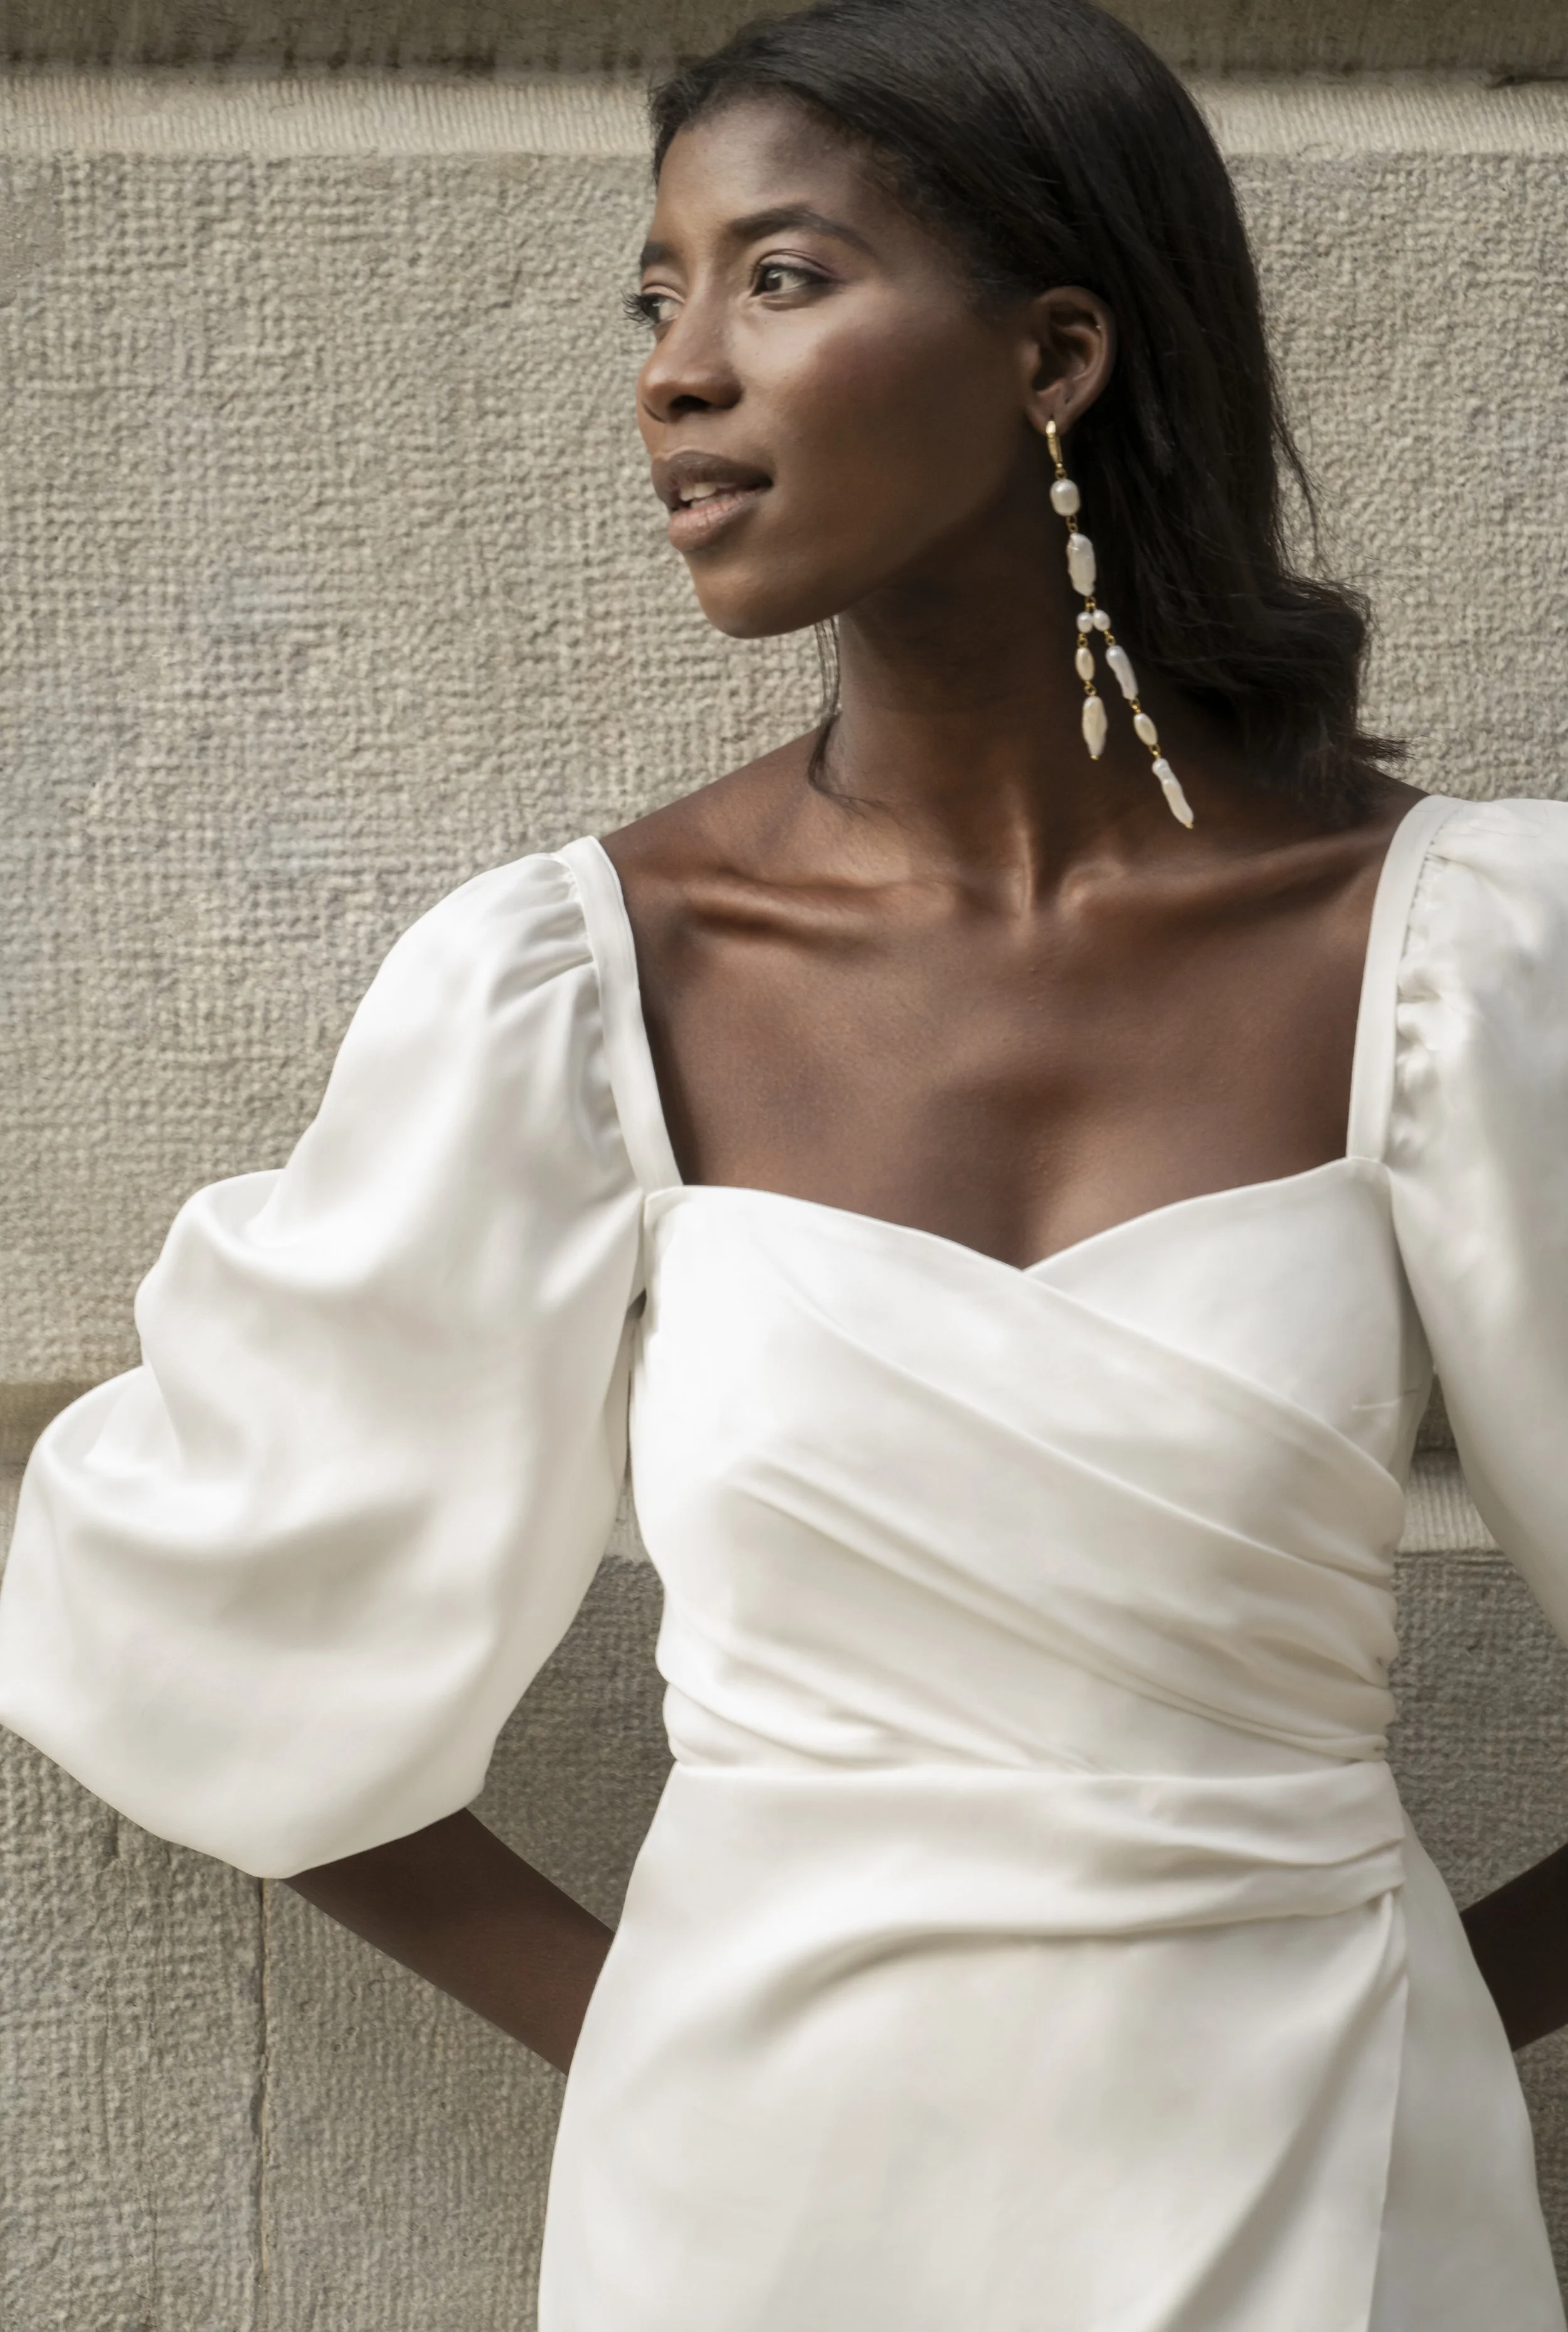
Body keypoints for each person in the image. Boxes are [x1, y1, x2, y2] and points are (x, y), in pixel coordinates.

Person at [3, 1, 1567, 2323]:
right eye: (657, 296)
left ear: (1053, 352)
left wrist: (1404, 1982)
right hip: (746, 2210)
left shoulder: (1463, 951)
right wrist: (626, 2017)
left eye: (782, 277)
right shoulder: (578, 983)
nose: (675, 370)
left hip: (1330, 2178)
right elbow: (182, 1622)